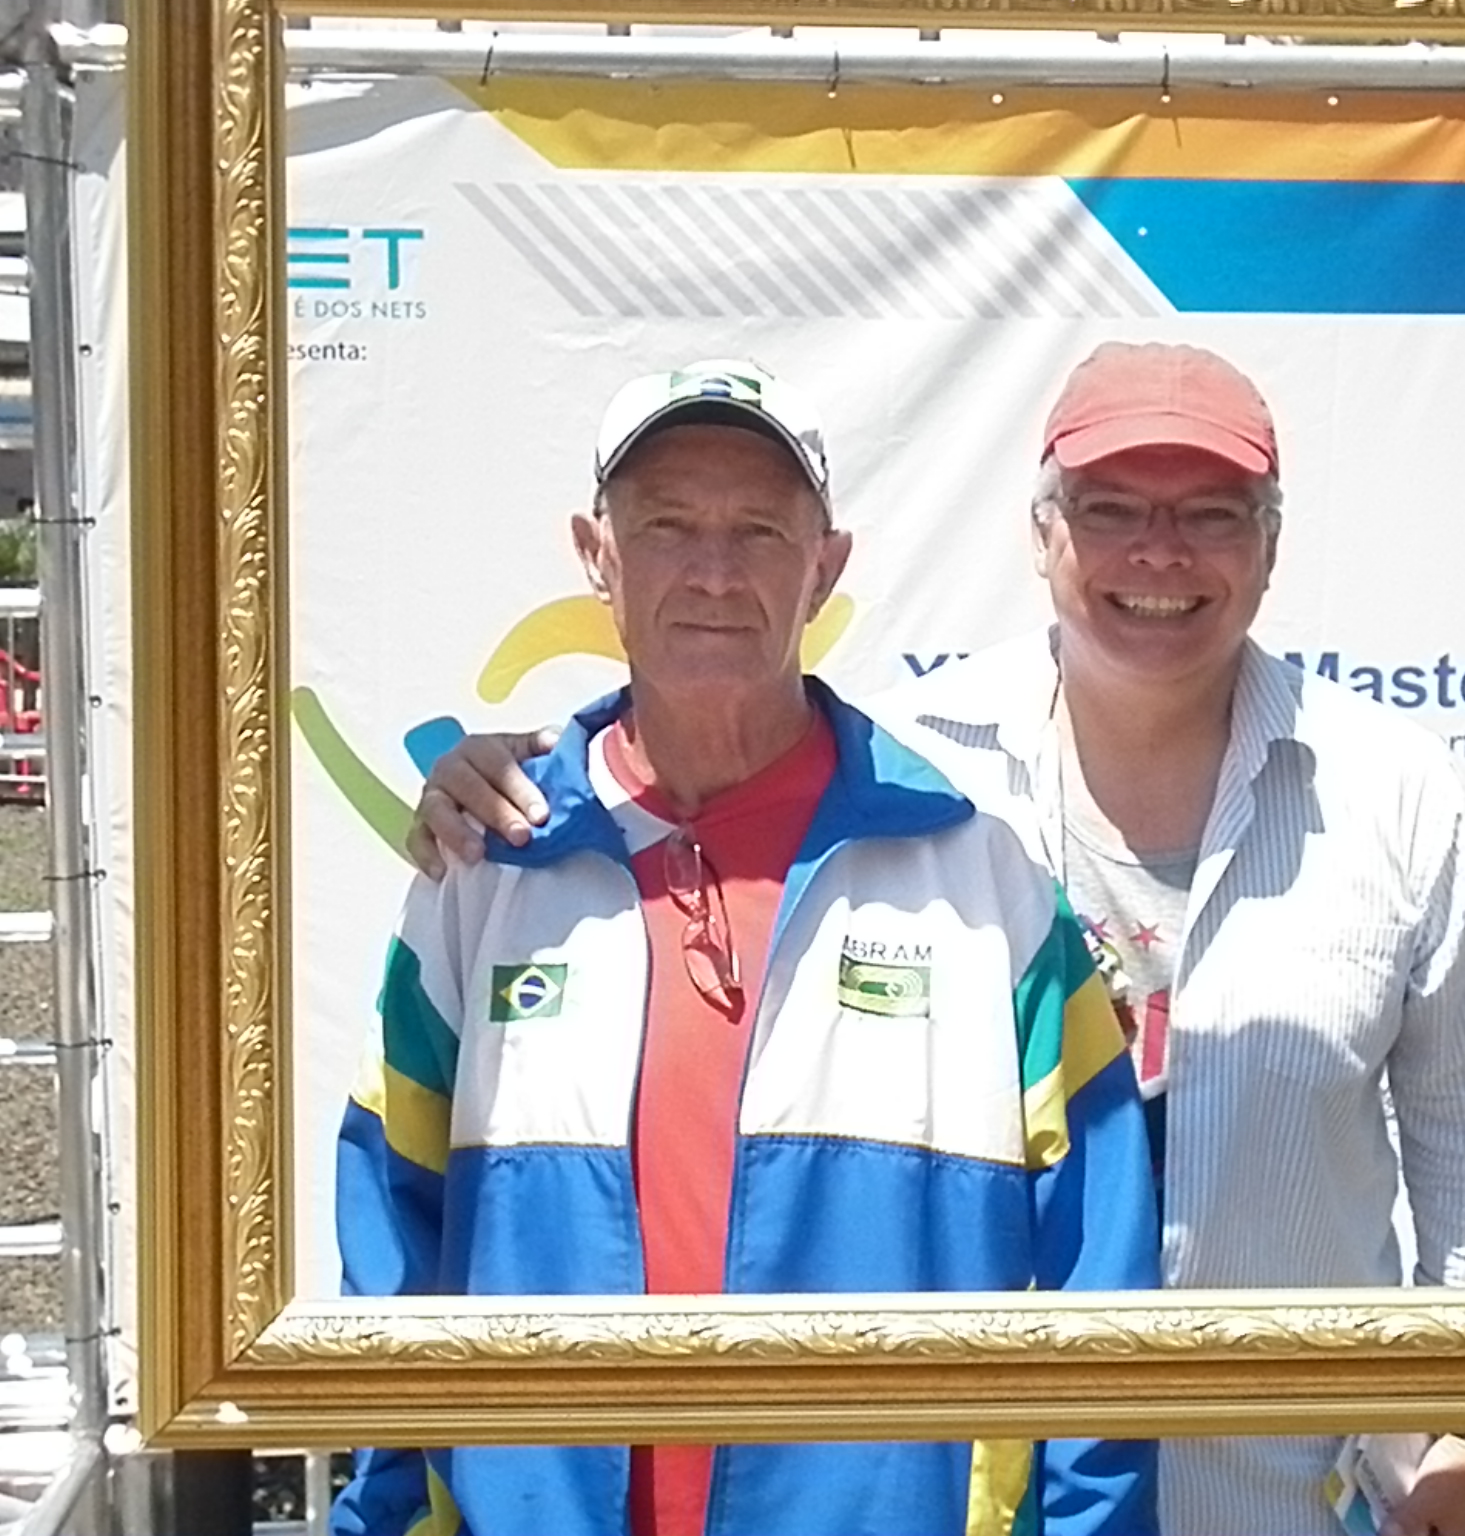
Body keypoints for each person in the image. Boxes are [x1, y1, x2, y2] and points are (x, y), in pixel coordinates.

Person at [411, 343, 1465, 1536]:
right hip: (1006, 1493)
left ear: (1269, 545)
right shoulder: (902, 773)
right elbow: (686, 754)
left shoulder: (1391, 792)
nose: (1158, 554)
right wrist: (521, 781)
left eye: (1210, 514)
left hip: (1292, 1490)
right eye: (1109, 509)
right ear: (1041, 533)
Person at [335, 361, 1160, 1536]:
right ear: (596, 555)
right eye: (666, 525)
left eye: (759, 531)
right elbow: (387, 1262)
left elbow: (1103, 1284)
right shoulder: (484, 870)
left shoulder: (982, 878)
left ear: (826, 567)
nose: (713, 573)